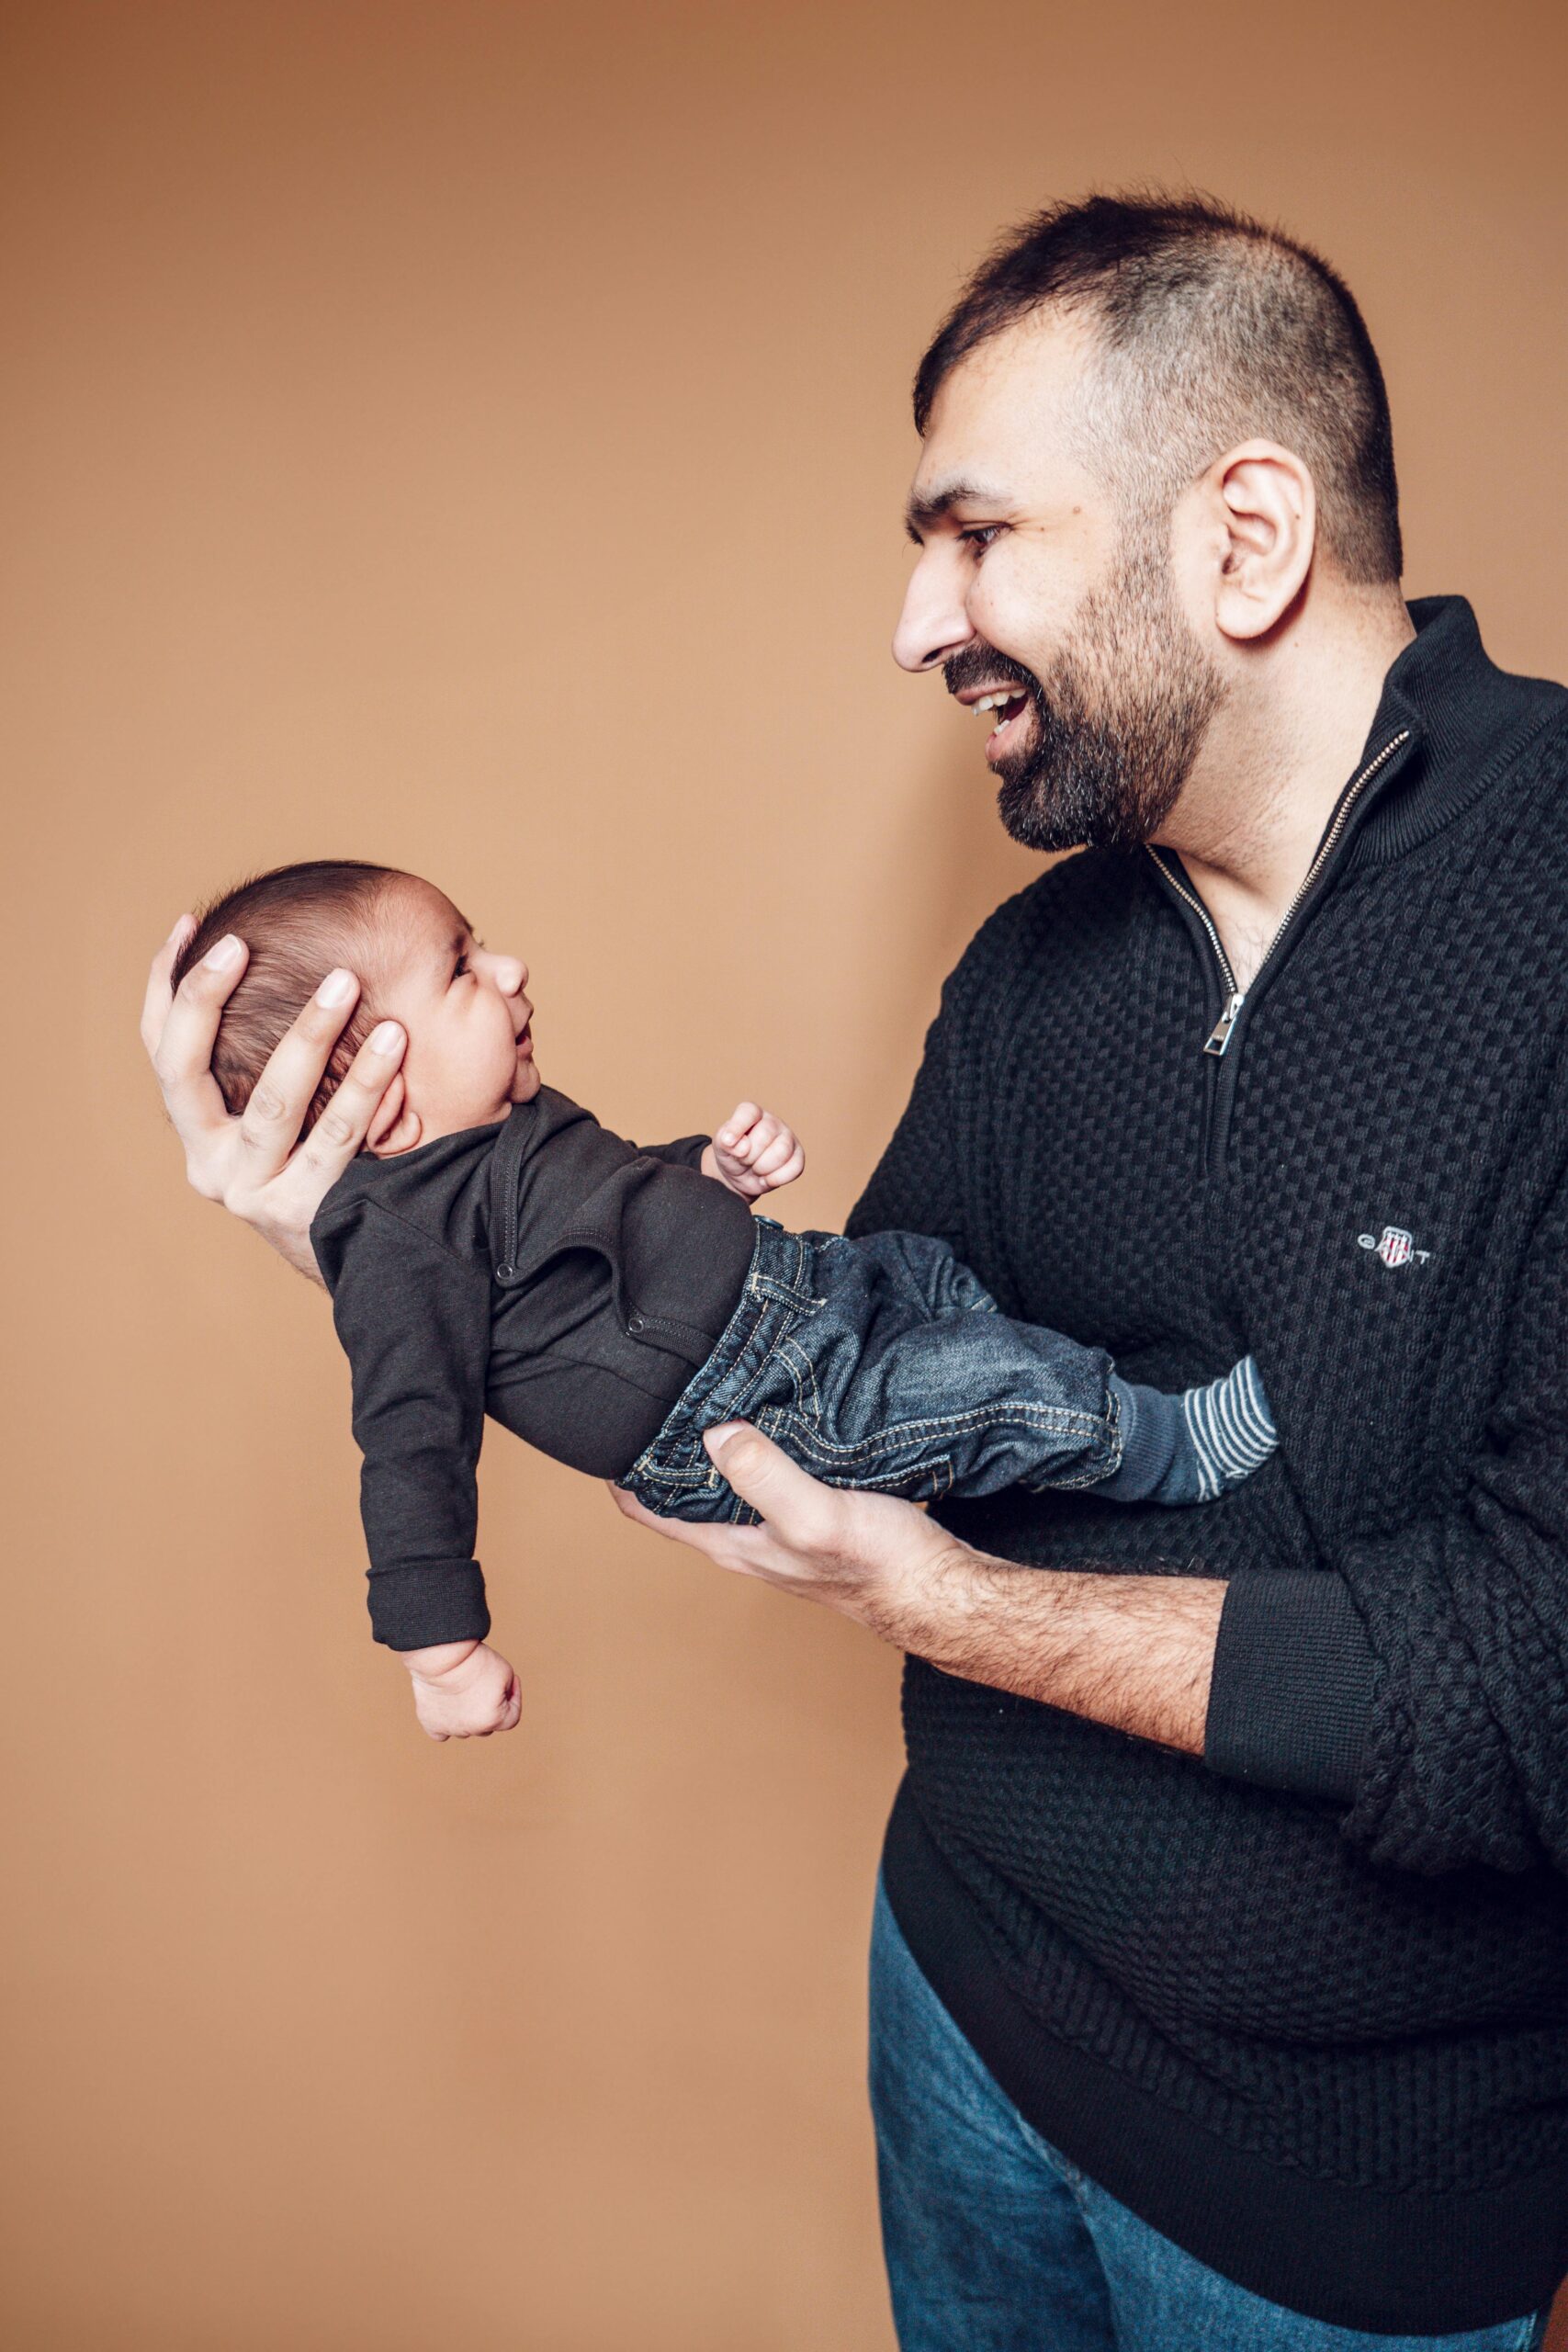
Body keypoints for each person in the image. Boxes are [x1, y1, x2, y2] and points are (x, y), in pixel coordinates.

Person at [141, 190, 1567, 2346]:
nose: (915, 619)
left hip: (1326, 2203)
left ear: (1240, 536)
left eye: (972, 532)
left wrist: (956, 1610)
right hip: (960, 2008)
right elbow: (844, 1335)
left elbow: (1524, 1685)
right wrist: (363, 1228)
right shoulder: (1036, 958)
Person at [164, 856, 1273, 1743]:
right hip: (737, 1407)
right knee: (985, 1390)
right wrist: (440, 1649)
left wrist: (712, 1174)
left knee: (928, 1271)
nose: (508, 971)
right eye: (461, 968)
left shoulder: (504, 1120)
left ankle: (1037, 1453)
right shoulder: (401, 1249)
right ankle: (1164, 1443)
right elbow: (409, 1440)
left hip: (795, 1294)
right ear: (386, 1104)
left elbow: (608, 1196)